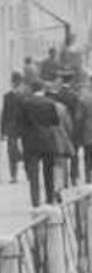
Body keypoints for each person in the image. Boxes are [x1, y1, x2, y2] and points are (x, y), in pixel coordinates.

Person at [17, 79, 61, 207]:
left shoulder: (25, 103)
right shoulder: (50, 103)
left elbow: (21, 123)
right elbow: (56, 121)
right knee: (48, 171)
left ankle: (35, 201)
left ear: (31, 89)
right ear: (42, 89)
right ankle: (49, 198)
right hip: (48, 141)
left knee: (34, 174)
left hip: (31, 142)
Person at [1, 71, 24, 183]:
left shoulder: (23, 96)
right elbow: (4, 114)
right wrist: (2, 131)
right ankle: (13, 175)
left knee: (25, 152)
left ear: (19, 83)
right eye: (14, 82)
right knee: (11, 153)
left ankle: (29, 171)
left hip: (23, 129)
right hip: (11, 130)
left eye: (17, 82)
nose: (15, 84)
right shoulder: (7, 96)